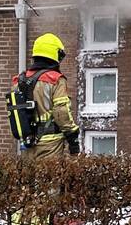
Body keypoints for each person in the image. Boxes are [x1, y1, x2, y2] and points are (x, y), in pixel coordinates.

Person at [12, 33, 80, 161]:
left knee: (29, 173)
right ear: (54, 54)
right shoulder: (55, 79)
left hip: (27, 142)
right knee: (49, 173)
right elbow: (61, 111)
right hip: (50, 144)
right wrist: (72, 135)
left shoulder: (20, 80)